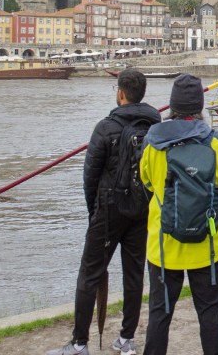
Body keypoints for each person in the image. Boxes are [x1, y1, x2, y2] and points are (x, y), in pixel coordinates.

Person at [46, 70, 161, 355]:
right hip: (141, 210)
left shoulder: (105, 127)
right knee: (134, 275)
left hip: (108, 212)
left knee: (90, 274)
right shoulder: (156, 127)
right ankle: (127, 338)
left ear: (121, 92)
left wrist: (93, 212)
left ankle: (79, 342)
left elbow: (90, 176)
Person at [140, 74, 218, 354]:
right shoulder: (216, 143)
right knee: (209, 314)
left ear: (172, 106)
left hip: (164, 245)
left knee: (160, 314)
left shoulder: (153, 143)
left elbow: (146, 182)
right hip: (207, 244)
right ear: (200, 106)